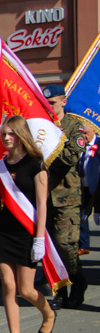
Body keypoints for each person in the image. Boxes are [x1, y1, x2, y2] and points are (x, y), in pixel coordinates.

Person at [0, 116, 57, 333]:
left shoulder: (36, 164)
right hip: (4, 231)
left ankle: (48, 313)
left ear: (22, 135)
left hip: (27, 231)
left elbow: (42, 204)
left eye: (11, 134)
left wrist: (39, 238)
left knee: (26, 289)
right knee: (8, 287)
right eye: (4, 134)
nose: (7, 138)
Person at [42, 84, 88, 309]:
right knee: (49, 246)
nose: (49, 107)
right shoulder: (41, 126)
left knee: (65, 244)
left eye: (52, 103)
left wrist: (49, 145)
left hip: (66, 196)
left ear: (63, 101)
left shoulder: (74, 127)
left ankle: (78, 282)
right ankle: (59, 291)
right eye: (46, 104)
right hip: (42, 196)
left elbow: (71, 157)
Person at [77, 125, 99, 255]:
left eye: (86, 133)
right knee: (82, 216)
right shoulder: (79, 144)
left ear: (93, 131)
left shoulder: (99, 144)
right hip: (84, 187)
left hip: (97, 188)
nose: (84, 136)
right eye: (82, 133)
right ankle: (84, 245)